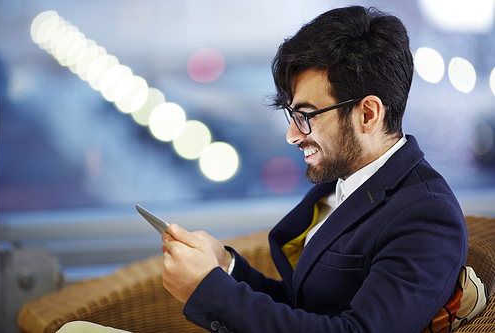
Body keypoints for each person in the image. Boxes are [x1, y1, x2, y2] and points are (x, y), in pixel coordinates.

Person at [58, 5, 486, 333]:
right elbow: (304, 308)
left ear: (368, 114)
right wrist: (225, 268)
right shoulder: (346, 184)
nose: (292, 136)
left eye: (306, 116)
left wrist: (210, 293)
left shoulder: (426, 218)